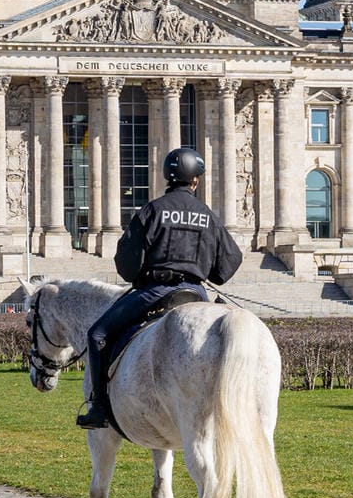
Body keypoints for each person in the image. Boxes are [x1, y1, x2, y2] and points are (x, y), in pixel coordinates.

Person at [77, 147, 243, 430]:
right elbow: (229, 264)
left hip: (155, 291)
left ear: (168, 176)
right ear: (196, 180)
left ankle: (100, 407)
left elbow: (127, 262)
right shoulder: (208, 216)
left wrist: (140, 275)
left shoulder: (153, 210)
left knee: (98, 334)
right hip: (195, 294)